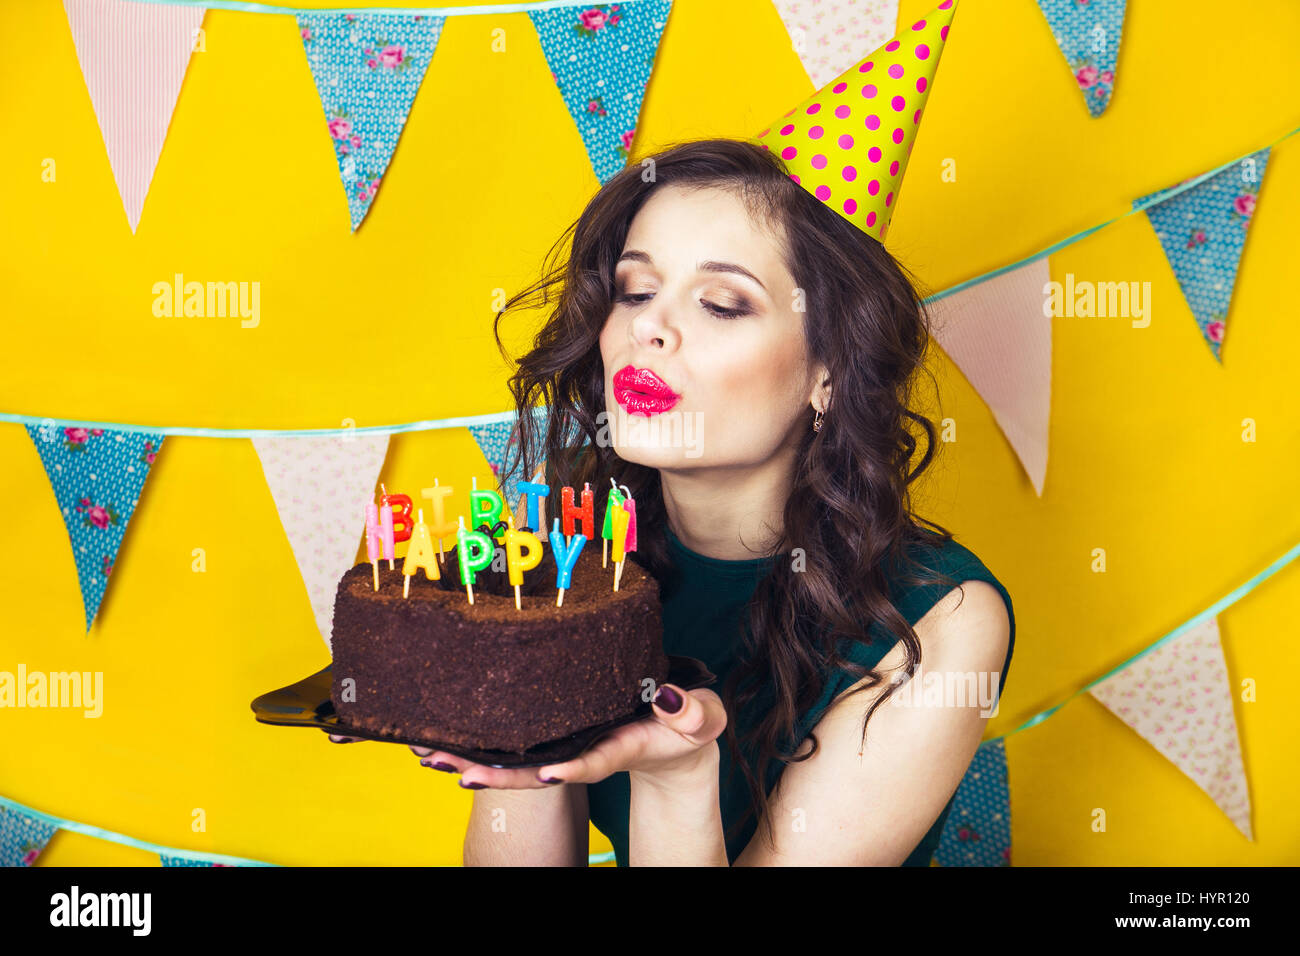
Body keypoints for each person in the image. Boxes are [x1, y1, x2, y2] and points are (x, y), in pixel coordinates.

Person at [333, 4, 1013, 865]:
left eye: (722, 302)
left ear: (827, 375)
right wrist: (516, 743)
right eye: (634, 289)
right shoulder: (570, 537)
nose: (649, 330)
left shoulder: (944, 620)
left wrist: (678, 776)